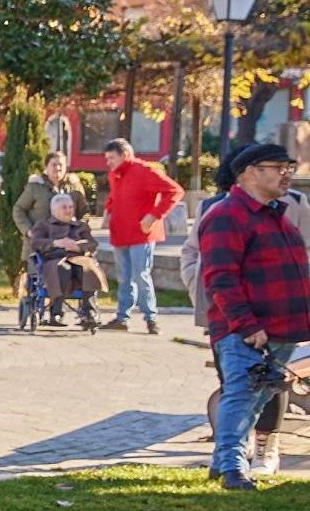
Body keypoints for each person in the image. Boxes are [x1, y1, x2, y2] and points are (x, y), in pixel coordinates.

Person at [197, 141, 310, 492]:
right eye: (277, 167)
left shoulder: (276, 215)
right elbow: (220, 278)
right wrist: (247, 325)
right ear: (250, 173)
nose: (286, 174)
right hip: (248, 330)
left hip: (282, 328)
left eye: (288, 167)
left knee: (261, 396)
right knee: (242, 394)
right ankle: (232, 466)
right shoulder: (226, 216)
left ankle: (224, 462)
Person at [101, 138, 183, 335]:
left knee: (140, 276)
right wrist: (108, 211)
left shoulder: (145, 171)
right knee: (124, 278)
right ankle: (122, 318)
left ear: (125, 155)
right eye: (107, 158)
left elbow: (174, 191)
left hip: (141, 234)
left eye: (112, 158)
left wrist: (154, 215)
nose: (108, 163)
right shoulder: (115, 174)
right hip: (120, 232)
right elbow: (114, 196)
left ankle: (151, 318)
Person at [29, 192, 106, 328]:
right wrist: (56, 243)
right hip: (54, 259)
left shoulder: (80, 226)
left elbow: (93, 244)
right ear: (54, 210)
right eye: (64, 207)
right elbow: (35, 243)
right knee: (63, 269)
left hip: (79, 258)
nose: (69, 210)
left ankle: (88, 313)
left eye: (71, 207)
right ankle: (56, 313)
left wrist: (78, 246)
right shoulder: (44, 225)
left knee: (88, 268)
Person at [11, 149, 76, 239]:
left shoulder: (73, 187)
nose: (57, 168)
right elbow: (18, 209)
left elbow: (82, 212)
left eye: (61, 165)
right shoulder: (35, 186)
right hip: (37, 245)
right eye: (54, 165)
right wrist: (29, 231)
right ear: (46, 167)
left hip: (65, 245)